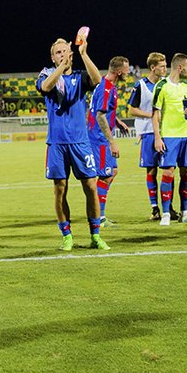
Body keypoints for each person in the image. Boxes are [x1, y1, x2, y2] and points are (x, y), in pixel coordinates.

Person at [37, 34, 109, 251]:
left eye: (64, 51)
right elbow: (46, 87)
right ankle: (66, 235)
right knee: (60, 189)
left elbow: (97, 80)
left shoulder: (79, 77)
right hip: (57, 144)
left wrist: (83, 54)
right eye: (58, 52)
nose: (62, 54)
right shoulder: (47, 74)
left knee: (90, 186)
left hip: (80, 143)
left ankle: (95, 235)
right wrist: (61, 66)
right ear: (52, 57)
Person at [152, 53, 187, 225]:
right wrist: (158, 137)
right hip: (170, 135)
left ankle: (185, 213)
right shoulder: (162, 86)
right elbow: (155, 113)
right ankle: (166, 213)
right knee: (168, 173)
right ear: (180, 67)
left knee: (186, 172)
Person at [88, 56, 131, 226]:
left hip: (100, 137)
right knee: (105, 176)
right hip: (99, 139)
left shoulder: (106, 85)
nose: (128, 73)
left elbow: (104, 110)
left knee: (112, 172)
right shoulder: (106, 88)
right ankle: (99, 217)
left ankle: (99, 214)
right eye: (126, 70)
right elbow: (99, 115)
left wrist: (117, 121)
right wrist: (112, 141)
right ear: (119, 71)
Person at [127, 52, 168, 220]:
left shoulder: (167, 84)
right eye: (162, 66)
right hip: (148, 132)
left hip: (167, 132)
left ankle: (168, 208)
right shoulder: (140, 86)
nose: (166, 68)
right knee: (151, 171)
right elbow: (131, 109)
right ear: (153, 67)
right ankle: (155, 208)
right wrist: (151, 115)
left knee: (168, 171)